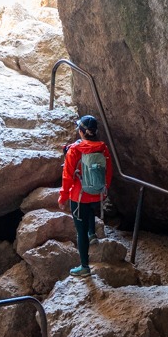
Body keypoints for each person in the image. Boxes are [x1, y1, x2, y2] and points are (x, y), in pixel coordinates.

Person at [58, 114, 113, 276]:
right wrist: (104, 190)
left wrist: (63, 197)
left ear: (81, 131)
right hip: (96, 194)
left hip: (79, 196)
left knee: (79, 231)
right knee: (90, 213)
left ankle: (84, 267)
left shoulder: (75, 150)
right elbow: (108, 172)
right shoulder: (103, 148)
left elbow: (67, 176)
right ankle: (93, 234)